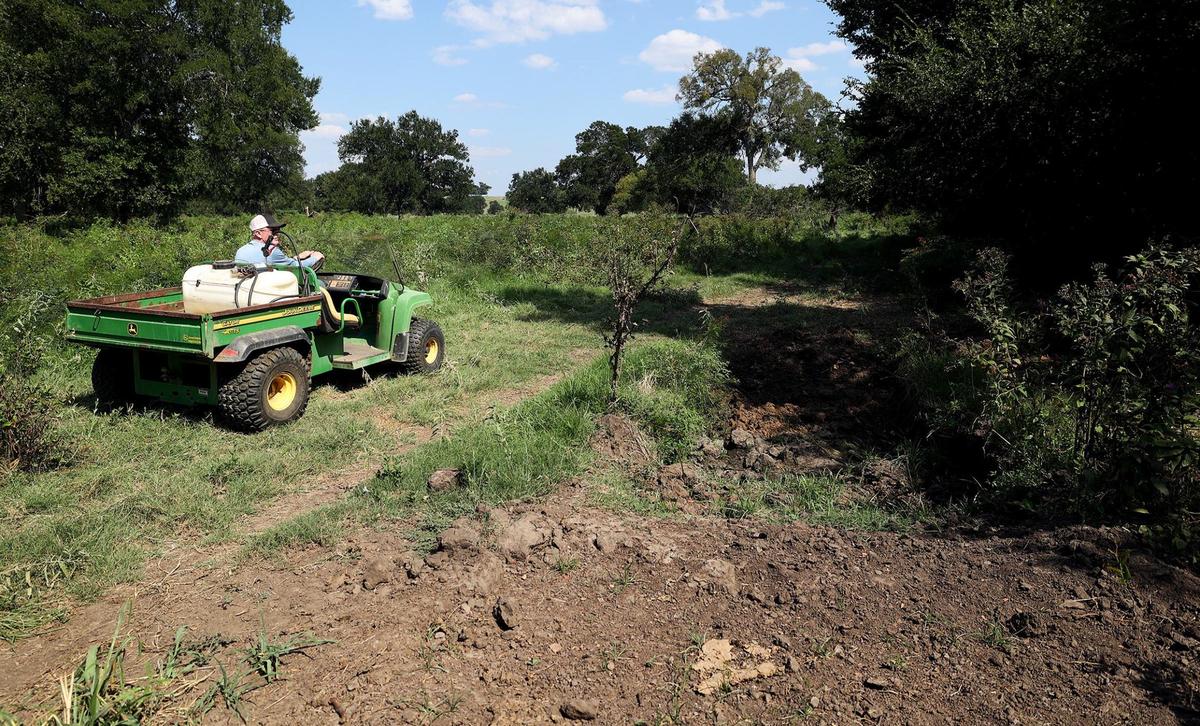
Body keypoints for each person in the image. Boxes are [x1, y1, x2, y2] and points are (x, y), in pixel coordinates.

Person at [234, 213, 325, 270]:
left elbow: (277, 261)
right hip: (271, 294)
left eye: (278, 230)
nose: (277, 234)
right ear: (258, 233)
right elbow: (296, 267)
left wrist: (296, 257)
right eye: (273, 230)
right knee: (321, 284)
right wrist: (315, 257)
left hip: (250, 291)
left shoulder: (241, 250)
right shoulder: (271, 251)